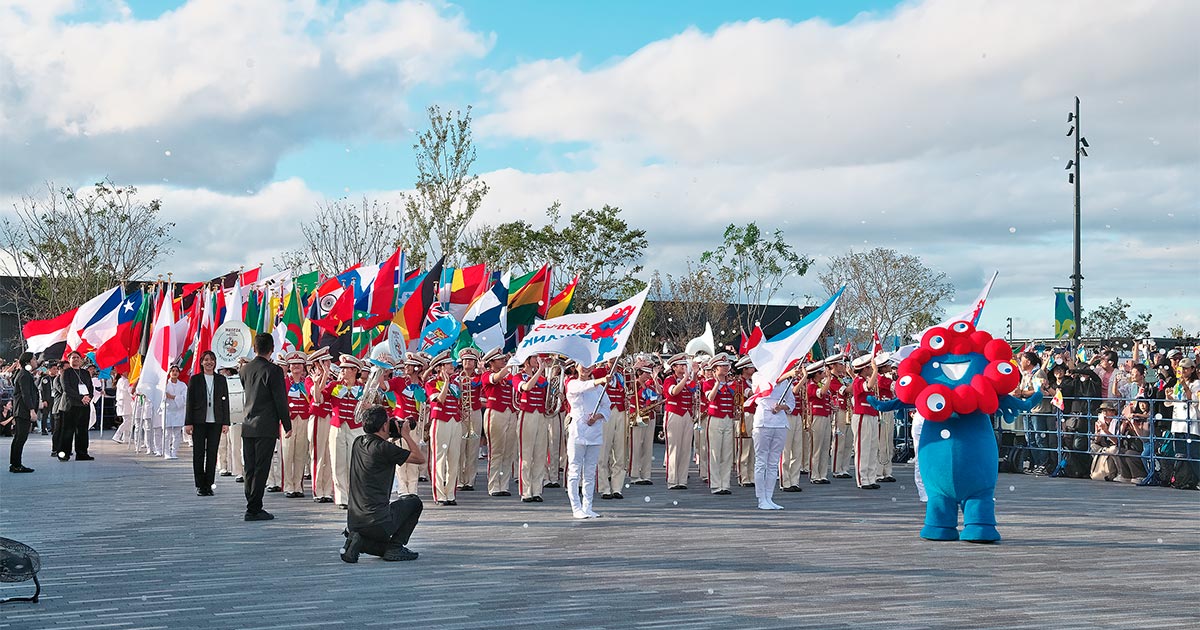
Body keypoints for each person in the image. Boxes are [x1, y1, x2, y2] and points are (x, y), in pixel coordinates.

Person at [341, 406, 425, 563]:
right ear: (385, 426)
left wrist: (391, 436)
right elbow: (420, 458)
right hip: (378, 522)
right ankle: (396, 547)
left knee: (381, 546)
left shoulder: (358, 442)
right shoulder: (385, 448)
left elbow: (379, 447)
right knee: (414, 502)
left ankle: (358, 541)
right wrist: (405, 435)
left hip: (354, 521)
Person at [238, 334, 293, 521]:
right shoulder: (274, 371)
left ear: (254, 348)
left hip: (248, 424)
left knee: (250, 468)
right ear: (271, 349)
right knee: (262, 468)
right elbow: (280, 400)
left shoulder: (244, 369)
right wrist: (287, 424)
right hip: (265, 425)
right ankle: (254, 508)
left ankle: (251, 503)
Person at [564, 362, 611, 519]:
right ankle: (575, 507)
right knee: (575, 470)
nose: (585, 369)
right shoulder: (572, 384)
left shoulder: (599, 389)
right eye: (582, 366)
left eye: (589, 366)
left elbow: (607, 406)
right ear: (576, 367)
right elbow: (583, 388)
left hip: (594, 433)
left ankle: (588, 506)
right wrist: (602, 379)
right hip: (578, 432)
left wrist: (597, 416)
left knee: (590, 472)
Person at [750, 364, 799, 510]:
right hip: (763, 422)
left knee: (773, 462)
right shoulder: (758, 375)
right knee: (761, 462)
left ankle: (769, 497)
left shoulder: (785, 382)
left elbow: (791, 402)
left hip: (780, 422)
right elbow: (766, 388)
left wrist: (782, 407)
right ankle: (761, 498)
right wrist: (787, 375)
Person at [319, 354, 364, 509]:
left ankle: (354, 496)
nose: (342, 371)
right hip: (337, 426)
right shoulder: (334, 385)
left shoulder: (362, 388)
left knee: (354, 463)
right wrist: (324, 375)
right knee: (338, 462)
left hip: (356, 428)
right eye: (342, 368)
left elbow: (371, 407)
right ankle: (341, 498)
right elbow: (318, 398)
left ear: (354, 370)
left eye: (346, 368)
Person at [185, 351, 230, 496]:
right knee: (198, 454)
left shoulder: (221, 379)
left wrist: (226, 422)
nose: (209, 362)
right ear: (201, 362)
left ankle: (209, 484)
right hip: (198, 421)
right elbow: (189, 402)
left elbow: (226, 402)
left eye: (211, 360)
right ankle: (200, 485)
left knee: (212, 454)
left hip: (216, 422)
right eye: (206, 360)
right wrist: (188, 422)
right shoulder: (195, 379)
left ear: (215, 362)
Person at [426, 351, 464, 506]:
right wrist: (447, 383)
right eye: (448, 364)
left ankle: (450, 493)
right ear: (439, 367)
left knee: (454, 458)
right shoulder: (432, 383)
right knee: (439, 459)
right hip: (440, 420)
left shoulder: (456, 382)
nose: (452, 366)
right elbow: (439, 400)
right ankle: (440, 495)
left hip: (455, 420)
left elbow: (459, 401)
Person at [514, 355, 551, 503]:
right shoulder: (517, 376)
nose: (538, 360)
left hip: (541, 415)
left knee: (540, 455)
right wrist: (540, 371)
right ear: (526, 360)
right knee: (526, 455)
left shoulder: (542, 379)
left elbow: (548, 394)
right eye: (534, 357)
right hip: (526, 414)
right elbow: (527, 387)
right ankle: (526, 491)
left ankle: (537, 490)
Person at [480, 348, 516, 497]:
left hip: (510, 412)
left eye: (504, 359)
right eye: (500, 359)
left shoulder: (508, 376)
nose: (503, 361)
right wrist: (511, 364)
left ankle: (504, 485)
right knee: (496, 451)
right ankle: (494, 485)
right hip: (495, 412)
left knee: (508, 452)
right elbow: (496, 378)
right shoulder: (487, 375)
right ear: (492, 362)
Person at [703, 353, 738, 495]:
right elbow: (710, 398)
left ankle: (725, 483)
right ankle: (716, 484)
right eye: (722, 366)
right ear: (715, 369)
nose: (725, 368)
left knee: (727, 453)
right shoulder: (708, 383)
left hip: (728, 418)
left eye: (726, 365)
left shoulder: (732, 383)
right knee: (715, 452)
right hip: (715, 418)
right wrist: (718, 383)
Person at [662, 353, 697, 490]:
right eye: (681, 365)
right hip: (674, 413)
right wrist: (686, 379)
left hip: (687, 414)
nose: (684, 367)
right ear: (674, 367)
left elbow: (694, 389)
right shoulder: (669, 379)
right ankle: (672, 479)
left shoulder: (686, 381)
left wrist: (693, 374)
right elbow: (674, 392)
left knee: (685, 448)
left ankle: (682, 479)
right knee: (674, 447)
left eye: (684, 364)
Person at [305, 348, 334, 502]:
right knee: (318, 454)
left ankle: (327, 490)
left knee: (329, 454)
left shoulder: (331, 378)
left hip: (331, 417)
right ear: (318, 363)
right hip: (318, 417)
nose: (329, 364)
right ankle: (318, 490)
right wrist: (321, 378)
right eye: (325, 361)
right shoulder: (310, 379)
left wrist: (327, 376)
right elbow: (318, 396)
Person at [281, 351, 312, 498]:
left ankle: (298, 485)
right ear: (289, 366)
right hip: (289, 419)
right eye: (293, 364)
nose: (296, 367)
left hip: (304, 418)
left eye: (299, 364)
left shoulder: (307, 382)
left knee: (301, 452)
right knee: (288, 453)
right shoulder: (285, 382)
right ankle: (288, 486)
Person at [56, 350, 95, 461]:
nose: (76, 359)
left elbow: (90, 387)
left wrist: (89, 397)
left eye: (78, 357)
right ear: (69, 360)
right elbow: (66, 389)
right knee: (67, 431)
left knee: (82, 431)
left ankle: (82, 453)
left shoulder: (85, 373)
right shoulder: (66, 373)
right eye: (73, 357)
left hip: (84, 406)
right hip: (70, 406)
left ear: (81, 360)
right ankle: (64, 454)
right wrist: (81, 397)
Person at [850, 354, 882, 490]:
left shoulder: (865, 379)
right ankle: (862, 479)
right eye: (869, 367)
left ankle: (871, 477)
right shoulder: (857, 381)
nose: (871, 369)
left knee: (872, 447)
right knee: (863, 448)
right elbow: (868, 386)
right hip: (862, 416)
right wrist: (875, 371)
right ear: (864, 369)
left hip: (871, 415)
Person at [9, 351, 38, 473]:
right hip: (23, 411)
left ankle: (15, 463)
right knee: (20, 438)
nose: (36, 361)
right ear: (28, 361)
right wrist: (31, 410)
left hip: (22, 410)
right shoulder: (24, 375)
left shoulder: (24, 374)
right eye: (34, 359)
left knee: (19, 438)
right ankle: (16, 464)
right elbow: (26, 394)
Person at [162, 365, 187, 459]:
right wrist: (167, 396)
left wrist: (173, 397)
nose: (175, 372)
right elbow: (162, 396)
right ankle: (166, 452)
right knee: (167, 433)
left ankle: (174, 452)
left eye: (176, 371)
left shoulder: (182, 385)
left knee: (177, 433)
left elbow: (185, 398)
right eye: (173, 371)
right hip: (168, 411)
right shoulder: (165, 385)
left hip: (179, 411)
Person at [112, 372, 133, 444]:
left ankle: (125, 437)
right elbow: (128, 390)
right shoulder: (123, 380)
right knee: (128, 420)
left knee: (127, 420)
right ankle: (117, 435)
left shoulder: (124, 380)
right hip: (124, 402)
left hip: (126, 402)